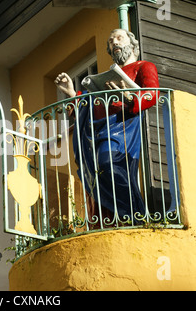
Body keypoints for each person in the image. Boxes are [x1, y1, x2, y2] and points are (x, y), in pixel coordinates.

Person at [55, 28, 159, 224]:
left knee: (109, 164)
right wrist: (71, 93)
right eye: (111, 41)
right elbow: (92, 106)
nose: (114, 43)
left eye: (119, 38)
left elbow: (151, 94)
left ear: (132, 44)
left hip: (122, 126)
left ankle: (131, 216)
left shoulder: (144, 66)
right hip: (95, 130)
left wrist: (129, 99)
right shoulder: (107, 76)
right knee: (94, 174)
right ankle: (105, 220)